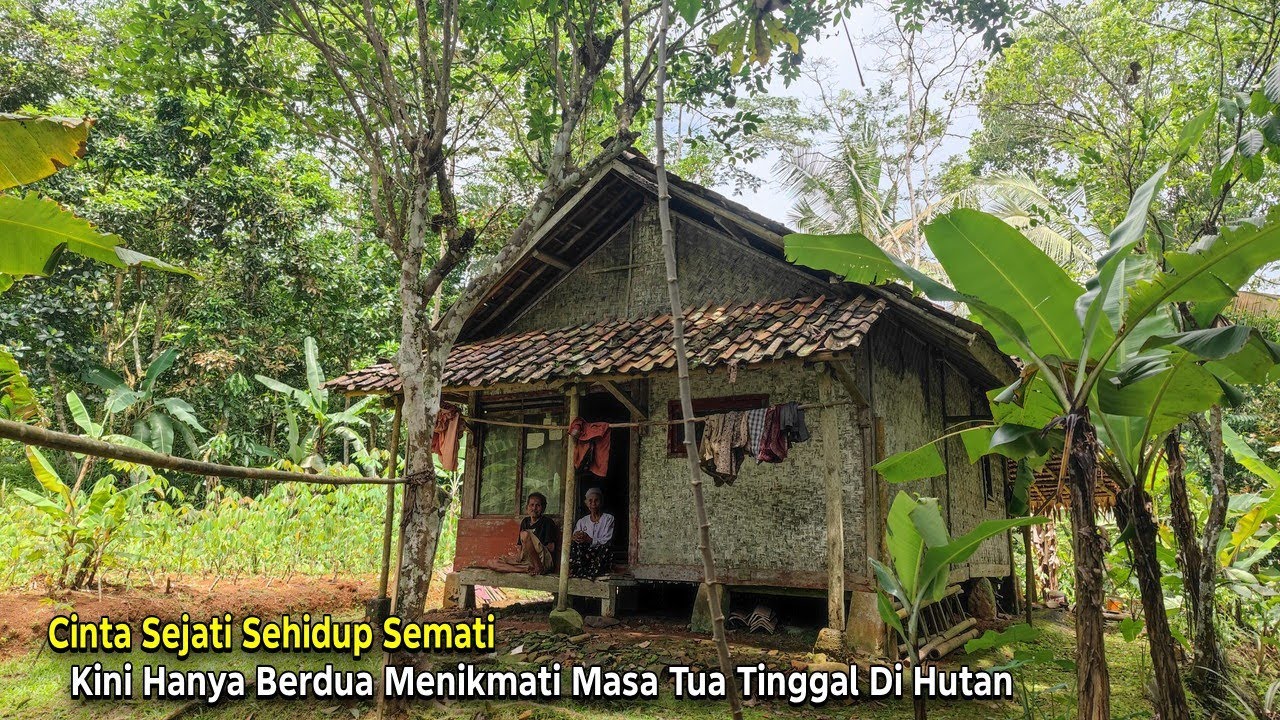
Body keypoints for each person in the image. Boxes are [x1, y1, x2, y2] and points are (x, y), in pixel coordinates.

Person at [483, 492, 558, 576]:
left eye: (538, 505)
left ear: (543, 508)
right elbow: (520, 546)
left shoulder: (547, 522)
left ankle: (538, 568)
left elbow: (551, 548)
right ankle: (523, 570)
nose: (534, 508)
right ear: (527, 507)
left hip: (542, 560)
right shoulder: (525, 521)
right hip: (528, 560)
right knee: (491, 563)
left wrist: (534, 547)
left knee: (525, 534)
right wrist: (518, 558)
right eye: (531, 505)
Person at [569, 487, 615, 578]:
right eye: (590, 501)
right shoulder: (582, 521)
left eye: (596, 500)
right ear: (586, 503)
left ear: (601, 502)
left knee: (607, 548)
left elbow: (607, 540)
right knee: (574, 545)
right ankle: (580, 571)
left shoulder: (608, 518)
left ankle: (589, 573)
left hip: (600, 553)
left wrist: (590, 540)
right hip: (586, 553)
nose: (593, 503)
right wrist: (578, 537)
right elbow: (575, 537)